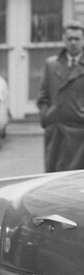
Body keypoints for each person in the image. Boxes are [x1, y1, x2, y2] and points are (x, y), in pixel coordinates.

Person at [37, 20, 84, 172]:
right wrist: (46, 116)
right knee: (54, 180)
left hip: (79, 131)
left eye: (77, 39)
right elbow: (43, 96)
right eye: (69, 39)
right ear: (64, 40)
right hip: (56, 130)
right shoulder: (51, 64)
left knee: (77, 181)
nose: (73, 43)